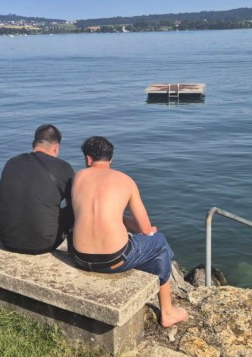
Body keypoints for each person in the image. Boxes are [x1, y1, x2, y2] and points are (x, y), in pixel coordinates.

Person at [69, 136, 188, 327]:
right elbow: (145, 228)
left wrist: (119, 220)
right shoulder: (126, 181)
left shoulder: (78, 177)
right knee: (160, 242)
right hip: (113, 261)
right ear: (111, 159)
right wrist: (143, 229)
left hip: (80, 258)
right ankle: (167, 311)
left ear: (88, 159)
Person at [0, 124, 74, 254]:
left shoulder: (11, 162)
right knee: (78, 207)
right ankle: (74, 253)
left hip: (6, 239)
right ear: (56, 148)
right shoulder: (64, 168)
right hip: (43, 244)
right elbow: (74, 204)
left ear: (34, 144)